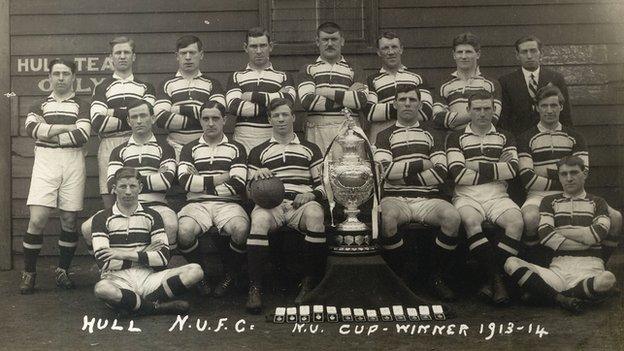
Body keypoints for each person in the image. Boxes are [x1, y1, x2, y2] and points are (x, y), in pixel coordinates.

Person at [374, 84, 461, 301]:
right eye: (402, 99)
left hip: (427, 198)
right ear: (394, 104)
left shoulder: (432, 134)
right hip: (395, 197)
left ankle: (434, 276)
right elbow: (383, 170)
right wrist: (422, 163)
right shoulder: (384, 135)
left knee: (452, 217)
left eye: (412, 100)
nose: (407, 103)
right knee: (387, 218)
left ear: (420, 105)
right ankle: (403, 275)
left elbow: (441, 172)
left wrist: (401, 173)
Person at [518, 84, 622, 256]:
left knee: (616, 218)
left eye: (554, 105)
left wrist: (545, 171)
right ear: (536, 108)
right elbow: (528, 178)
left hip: (575, 193)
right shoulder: (525, 138)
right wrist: (565, 176)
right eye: (544, 106)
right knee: (530, 219)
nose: (549, 110)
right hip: (538, 195)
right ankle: (539, 265)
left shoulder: (575, 137)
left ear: (561, 107)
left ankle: (600, 263)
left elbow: (582, 173)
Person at [504, 156, 616, 314]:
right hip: (558, 270)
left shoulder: (598, 202)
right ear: (559, 176)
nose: (569, 178)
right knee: (511, 262)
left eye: (574, 173)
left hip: (590, 269)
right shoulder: (549, 201)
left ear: (584, 174)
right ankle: (564, 299)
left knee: (608, 279)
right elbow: (546, 236)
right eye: (563, 174)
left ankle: (551, 296)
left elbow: (595, 235)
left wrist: (562, 232)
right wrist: (583, 238)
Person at [245, 98, 326, 314]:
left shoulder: (311, 148)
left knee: (316, 214)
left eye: (285, 114)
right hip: (272, 204)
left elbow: (324, 185)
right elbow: (247, 191)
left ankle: (309, 283)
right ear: (269, 119)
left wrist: (311, 194)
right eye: (276, 116)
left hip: (301, 202)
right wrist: (256, 180)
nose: (281, 119)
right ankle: (255, 287)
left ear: (293, 117)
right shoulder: (258, 151)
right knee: (259, 219)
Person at [20, 58, 92, 294]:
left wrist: (48, 131)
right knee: (37, 219)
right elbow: (31, 129)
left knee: (69, 220)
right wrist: (67, 128)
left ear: (73, 77)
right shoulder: (38, 105)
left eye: (66, 73)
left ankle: (63, 271)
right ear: (49, 77)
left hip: (73, 161)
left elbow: (83, 135)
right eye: (56, 73)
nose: (61, 78)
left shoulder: (82, 105)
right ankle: (29, 274)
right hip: (45, 162)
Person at [446, 90, 524, 305]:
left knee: (516, 222)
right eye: (477, 109)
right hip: (466, 195)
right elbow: (458, 174)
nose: (482, 113)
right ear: (469, 111)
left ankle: (492, 280)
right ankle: (497, 281)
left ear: (494, 110)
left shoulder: (505, 136)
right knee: (471, 221)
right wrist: (497, 165)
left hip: (497, 194)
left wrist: (473, 164)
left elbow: (513, 170)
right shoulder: (456, 137)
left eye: (487, 108)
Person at [92, 167, 203, 315]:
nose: (128, 192)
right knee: (102, 289)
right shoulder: (101, 218)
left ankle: (135, 304)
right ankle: (155, 307)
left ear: (140, 188)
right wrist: (144, 253)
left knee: (196, 270)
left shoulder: (153, 215)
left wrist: (121, 254)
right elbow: (104, 262)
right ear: (114, 189)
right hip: (117, 278)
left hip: (148, 277)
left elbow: (163, 258)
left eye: (133, 186)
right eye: (122, 186)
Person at [80, 100, 179, 255]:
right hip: (123, 207)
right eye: (134, 117)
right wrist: (153, 178)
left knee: (171, 225)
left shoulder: (165, 149)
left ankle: (162, 270)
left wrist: (126, 181)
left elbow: (165, 181)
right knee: (87, 228)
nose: (139, 121)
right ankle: (108, 268)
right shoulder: (119, 151)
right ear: (128, 121)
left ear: (152, 118)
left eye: (143, 115)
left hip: (156, 205)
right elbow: (112, 184)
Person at [177, 101, 249, 297]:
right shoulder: (189, 148)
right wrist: (223, 177)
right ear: (200, 121)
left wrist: (201, 182)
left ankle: (229, 275)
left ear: (224, 120)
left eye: (215, 118)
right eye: (206, 118)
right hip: (196, 204)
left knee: (241, 229)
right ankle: (200, 276)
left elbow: (239, 183)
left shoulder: (236, 148)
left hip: (229, 204)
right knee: (183, 232)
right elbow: (185, 182)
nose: (210, 123)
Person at [91, 36, 156, 209]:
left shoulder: (146, 87)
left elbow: (147, 119)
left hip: (136, 142)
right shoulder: (102, 87)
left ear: (134, 56)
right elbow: (97, 123)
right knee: (110, 197)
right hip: (109, 143)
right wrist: (133, 118)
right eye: (117, 53)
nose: (122, 56)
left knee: (137, 192)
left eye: (126, 52)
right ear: (111, 57)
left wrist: (111, 112)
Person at [297, 21, 368, 153]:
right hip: (317, 130)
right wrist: (347, 94)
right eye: (325, 39)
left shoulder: (355, 68)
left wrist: (323, 91)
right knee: (320, 171)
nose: (329, 44)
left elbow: (361, 100)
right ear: (318, 42)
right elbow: (308, 102)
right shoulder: (308, 69)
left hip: (349, 130)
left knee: (350, 170)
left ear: (342, 41)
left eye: (334, 39)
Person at [154, 35, 226, 159]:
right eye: (183, 53)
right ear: (177, 56)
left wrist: (180, 110)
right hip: (175, 148)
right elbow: (160, 118)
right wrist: (200, 118)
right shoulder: (167, 84)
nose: (188, 57)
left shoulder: (212, 84)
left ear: (201, 55)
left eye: (192, 52)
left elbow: (218, 114)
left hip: (205, 149)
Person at [226, 27, 297, 153]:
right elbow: (233, 107)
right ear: (245, 48)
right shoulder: (236, 76)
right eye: (253, 46)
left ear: (270, 47)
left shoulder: (283, 76)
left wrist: (252, 96)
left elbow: (288, 101)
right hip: (244, 139)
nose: (258, 51)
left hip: (273, 137)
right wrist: (275, 100)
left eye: (263, 45)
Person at [366, 31, 433, 143]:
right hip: (383, 136)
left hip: (413, 136)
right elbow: (371, 112)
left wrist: (385, 110)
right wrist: (408, 108)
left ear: (401, 49)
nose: (391, 52)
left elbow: (426, 111)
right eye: (385, 48)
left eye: (394, 47)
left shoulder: (417, 78)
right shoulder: (372, 80)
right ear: (378, 52)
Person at [499, 36, 572, 137]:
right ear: (517, 55)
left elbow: (565, 114)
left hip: (551, 137)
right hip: (519, 140)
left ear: (541, 53)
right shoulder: (506, 81)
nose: (529, 56)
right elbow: (504, 119)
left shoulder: (556, 78)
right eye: (524, 52)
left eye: (533, 51)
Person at [433, 33, 501, 131]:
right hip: (454, 140)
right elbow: (438, 118)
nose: (464, 56)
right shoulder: (444, 85)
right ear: (454, 55)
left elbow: (493, 118)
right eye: (460, 52)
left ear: (478, 54)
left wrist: (453, 120)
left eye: (468, 52)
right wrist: (478, 114)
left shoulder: (491, 84)